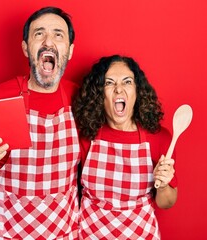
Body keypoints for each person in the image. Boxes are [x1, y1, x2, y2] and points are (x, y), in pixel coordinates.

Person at [0, 7, 80, 240]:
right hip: (9, 230)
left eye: (58, 34)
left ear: (69, 51)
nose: (48, 42)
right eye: (39, 34)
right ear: (26, 48)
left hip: (64, 231)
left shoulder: (82, 99)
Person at [73, 55, 178, 239]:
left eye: (127, 82)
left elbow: (167, 203)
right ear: (99, 94)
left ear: (137, 91)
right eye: (109, 83)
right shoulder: (85, 136)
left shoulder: (159, 138)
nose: (119, 89)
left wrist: (163, 186)